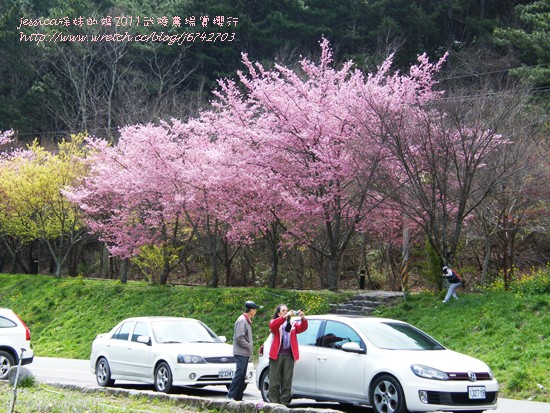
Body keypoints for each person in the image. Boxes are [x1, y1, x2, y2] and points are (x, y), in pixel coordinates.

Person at [268, 304, 308, 406]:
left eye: (287, 310)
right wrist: (284, 317)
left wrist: (303, 318)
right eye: (283, 311)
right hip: (277, 355)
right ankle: (273, 402)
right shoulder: (275, 322)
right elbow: (272, 326)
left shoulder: (292, 323)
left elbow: (302, 328)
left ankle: (284, 402)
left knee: (287, 380)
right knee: (274, 379)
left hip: (289, 355)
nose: (286, 312)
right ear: (278, 313)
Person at [227, 300, 260, 401]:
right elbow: (239, 337)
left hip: (244, 352)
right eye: (255, 310)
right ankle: (230, 396)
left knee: (242, 376)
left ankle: (238, 397)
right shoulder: (242, 320)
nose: (256, 312)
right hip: (241, 352)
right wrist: (248, 346)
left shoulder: (246, 320)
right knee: (239, 374)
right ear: (251, 310)